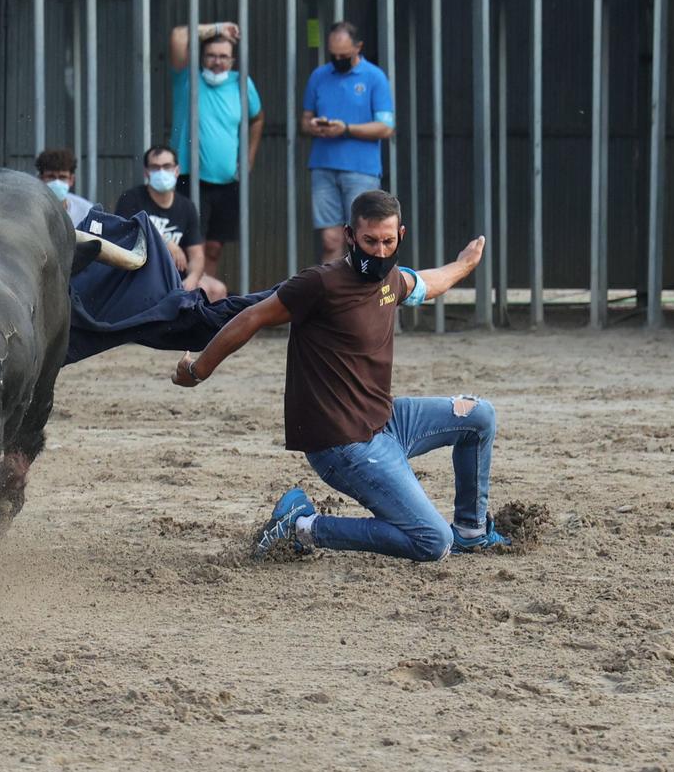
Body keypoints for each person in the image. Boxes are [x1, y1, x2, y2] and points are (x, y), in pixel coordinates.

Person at [172, 189, 495, 562]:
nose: (378, 251)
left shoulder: (390, 279)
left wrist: (465, 265)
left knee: (479, 416)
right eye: (369, 241)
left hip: (386, 421)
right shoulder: (321, 284)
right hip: (344, 444)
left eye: (388, 242)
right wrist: (198, 370)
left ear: (400, 237)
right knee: (432, 542)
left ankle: (472, 532)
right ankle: (300, 526)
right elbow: (252, 316)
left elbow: (426, 283)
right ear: (349, 236)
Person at [169, 20, 264, 285]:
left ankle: (204, 304)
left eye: (223, 56)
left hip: (226, 182)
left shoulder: (241, 83)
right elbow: (179, 34)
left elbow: (257, 119)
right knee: (187, 246)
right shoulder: (187, 78)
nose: (217, 62)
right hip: (189, 177)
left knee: (213, 248)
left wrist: (248, 158)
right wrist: (219, 29)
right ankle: (182, 299)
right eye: (211, 55)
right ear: (201, 57)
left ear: (233, 60)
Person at [301, 21, 393, 264]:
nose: (338, 59)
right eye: (334, 55)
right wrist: (313, 126)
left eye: (343, 55)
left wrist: (346, 129)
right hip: (323, 166)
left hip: (361, 169)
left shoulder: (375, 77)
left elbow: (385, 126)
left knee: (366, 237)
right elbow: (305, 119)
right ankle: (330, 298)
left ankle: (366, 298)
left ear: (358, 47)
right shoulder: (319, 76)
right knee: (330, 240)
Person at [114, 145, 226, 300]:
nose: (161, 172)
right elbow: (124, 238)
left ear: (177, 170)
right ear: (146, 172)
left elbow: (197, 255)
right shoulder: (131, 199)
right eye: (155, 167)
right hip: (142, 273)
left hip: (177, 275)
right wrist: (164, 242)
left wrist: (192, 279)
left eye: (167, 166)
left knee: (215, 289)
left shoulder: (186, 206)